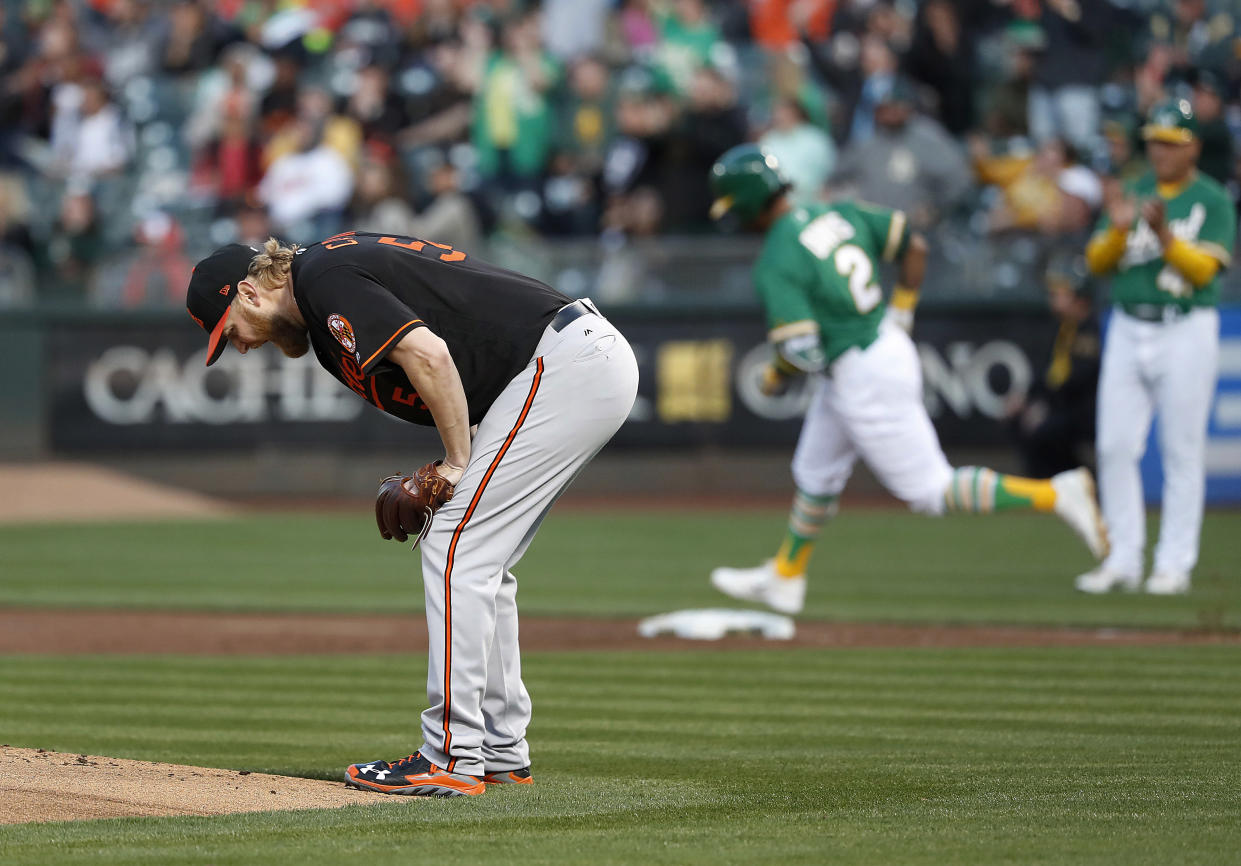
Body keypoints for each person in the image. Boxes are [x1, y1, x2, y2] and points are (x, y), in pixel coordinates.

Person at [185, 232, 638, 795]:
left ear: (250, 294)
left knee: (454, 546)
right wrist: (457, 461)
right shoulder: (322, 290)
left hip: (564, 364)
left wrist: (453, 465)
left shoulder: (322, 278)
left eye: (230, 332)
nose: (243, 347)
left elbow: (430, 354)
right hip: (565, 365)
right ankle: (498, 749)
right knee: (478, 556)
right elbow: (465, 369)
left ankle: (450, 756)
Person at [705, 144, 1108, 614]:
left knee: (931, 491)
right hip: (881, 343)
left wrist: (775, 377)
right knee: (815, 472)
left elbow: (800, 351)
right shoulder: (836, 211)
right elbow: (914, 244)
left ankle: (1056, 493)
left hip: (861, 371)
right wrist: (902, 310)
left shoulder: (777, 257)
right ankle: (786, 576)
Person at [1076, 99, 1234, 595]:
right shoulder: (1132, 190)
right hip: (1128, 323)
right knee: (1114, 446)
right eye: (1155, 141)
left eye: (1171, 142)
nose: (1160, 151)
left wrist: (1165, 235)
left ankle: (1174, 564)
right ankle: (1123, 559)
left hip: (1185, 325)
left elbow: (1205, 270)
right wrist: (1121, 229)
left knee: (1181, 449)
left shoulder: (1211, 198)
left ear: (1194, 147)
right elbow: (1096, 263)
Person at [1006, 258, 1100, 478]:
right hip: (1059, 405)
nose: (1053, 297)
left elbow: (1079, 379)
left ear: (1080, 299)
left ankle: (1072, 477)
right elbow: (1045, 372)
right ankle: (1047, 479)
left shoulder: (1091, 330)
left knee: (1044, 428)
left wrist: (1045, 405)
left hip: (1082, 410)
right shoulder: (1061, 328)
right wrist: (1026, 399)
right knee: (1017, 419)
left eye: (1061, 293)